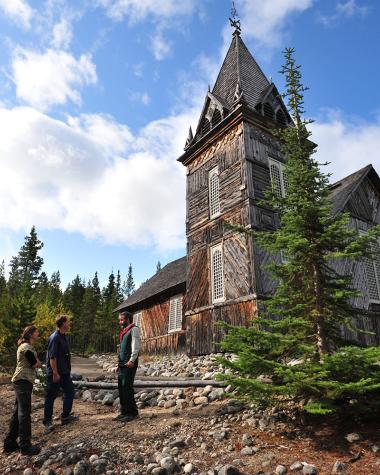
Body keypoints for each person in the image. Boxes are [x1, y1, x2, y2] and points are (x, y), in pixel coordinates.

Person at [3, 325, 42, 456]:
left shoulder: (26, 346)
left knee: (17, 412)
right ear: (31, 334)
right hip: (23, 381)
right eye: (36, 331)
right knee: (24, 412)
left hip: (21, 381)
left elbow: (36, 362)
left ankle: (9, 443)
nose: (38, 333)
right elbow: (35, 363)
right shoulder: (26, 347)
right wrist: (37, 362)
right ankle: (25, 446)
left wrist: (37, 362)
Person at [43, 315, 78, 433]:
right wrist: (55, 373)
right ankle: (47, 422)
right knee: (51, 397)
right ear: (63, 323)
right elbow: (52, 357)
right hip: (56, 373)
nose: (69, 324)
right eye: (68, 322)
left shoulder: (63, 336)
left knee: (70, 392)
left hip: (64, 372)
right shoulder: (55, 337)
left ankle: (65, 416)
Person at [113, 311, 141, 422]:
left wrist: (132, 360)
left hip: (129, 363)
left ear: (128, 319)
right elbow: (122, 350)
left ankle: (132, 413)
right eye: (119, 320)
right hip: (122, 363)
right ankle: (124, 412)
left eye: (122, 319)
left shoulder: (134, 329)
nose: (120, 322)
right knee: (121, 387)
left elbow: (136, 346)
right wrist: (118, 365)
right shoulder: (124, 331)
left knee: (127, 387)